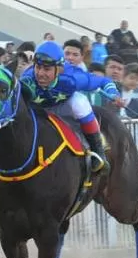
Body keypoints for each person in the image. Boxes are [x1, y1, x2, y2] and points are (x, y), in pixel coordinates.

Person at [18, 40, 123, 173]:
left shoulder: (73, 77)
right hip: (37, 110)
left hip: (64, 106)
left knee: (80, 101)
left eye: (47, 69)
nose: (40, 74)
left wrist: (113, 93)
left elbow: (104, 81)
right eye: (37, 67)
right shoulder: (27, 79)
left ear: (59, 69)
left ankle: (98, 152)